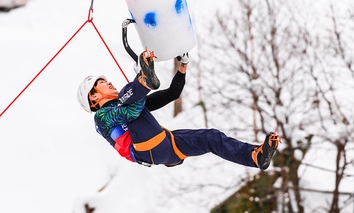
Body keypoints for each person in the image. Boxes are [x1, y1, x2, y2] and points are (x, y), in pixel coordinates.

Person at [77, 49, 281, 169]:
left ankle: (255, 157)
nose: (109, 83)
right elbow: (130, 112)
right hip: (146, 149)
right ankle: (144, 80)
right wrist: (141, 82)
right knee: (127, 98)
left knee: (212, 137)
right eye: (103, 83)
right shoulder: (102, 118)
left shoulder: (131, 105)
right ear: (93, 97)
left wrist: (182, 68)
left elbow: (172, 94)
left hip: (166, 146)